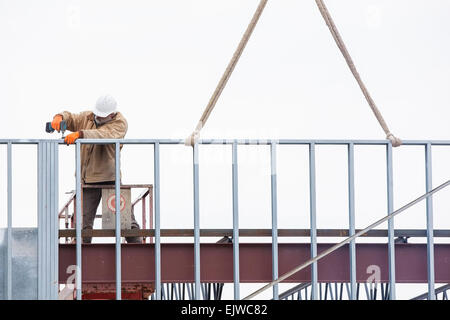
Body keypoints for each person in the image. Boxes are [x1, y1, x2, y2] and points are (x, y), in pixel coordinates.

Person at [50, 94, 142, 243]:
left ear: (111, 115)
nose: (97, 117)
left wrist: (80, 134)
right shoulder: (89, 117)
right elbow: (73, 118)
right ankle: (80, 259)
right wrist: (60, 117)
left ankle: (141, 253)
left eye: (101, 115)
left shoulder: (120, 123)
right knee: (82, 227)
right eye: (96, 113)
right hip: (88, 181)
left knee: (127, 224)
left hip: (110, 180)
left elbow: (104, 135)